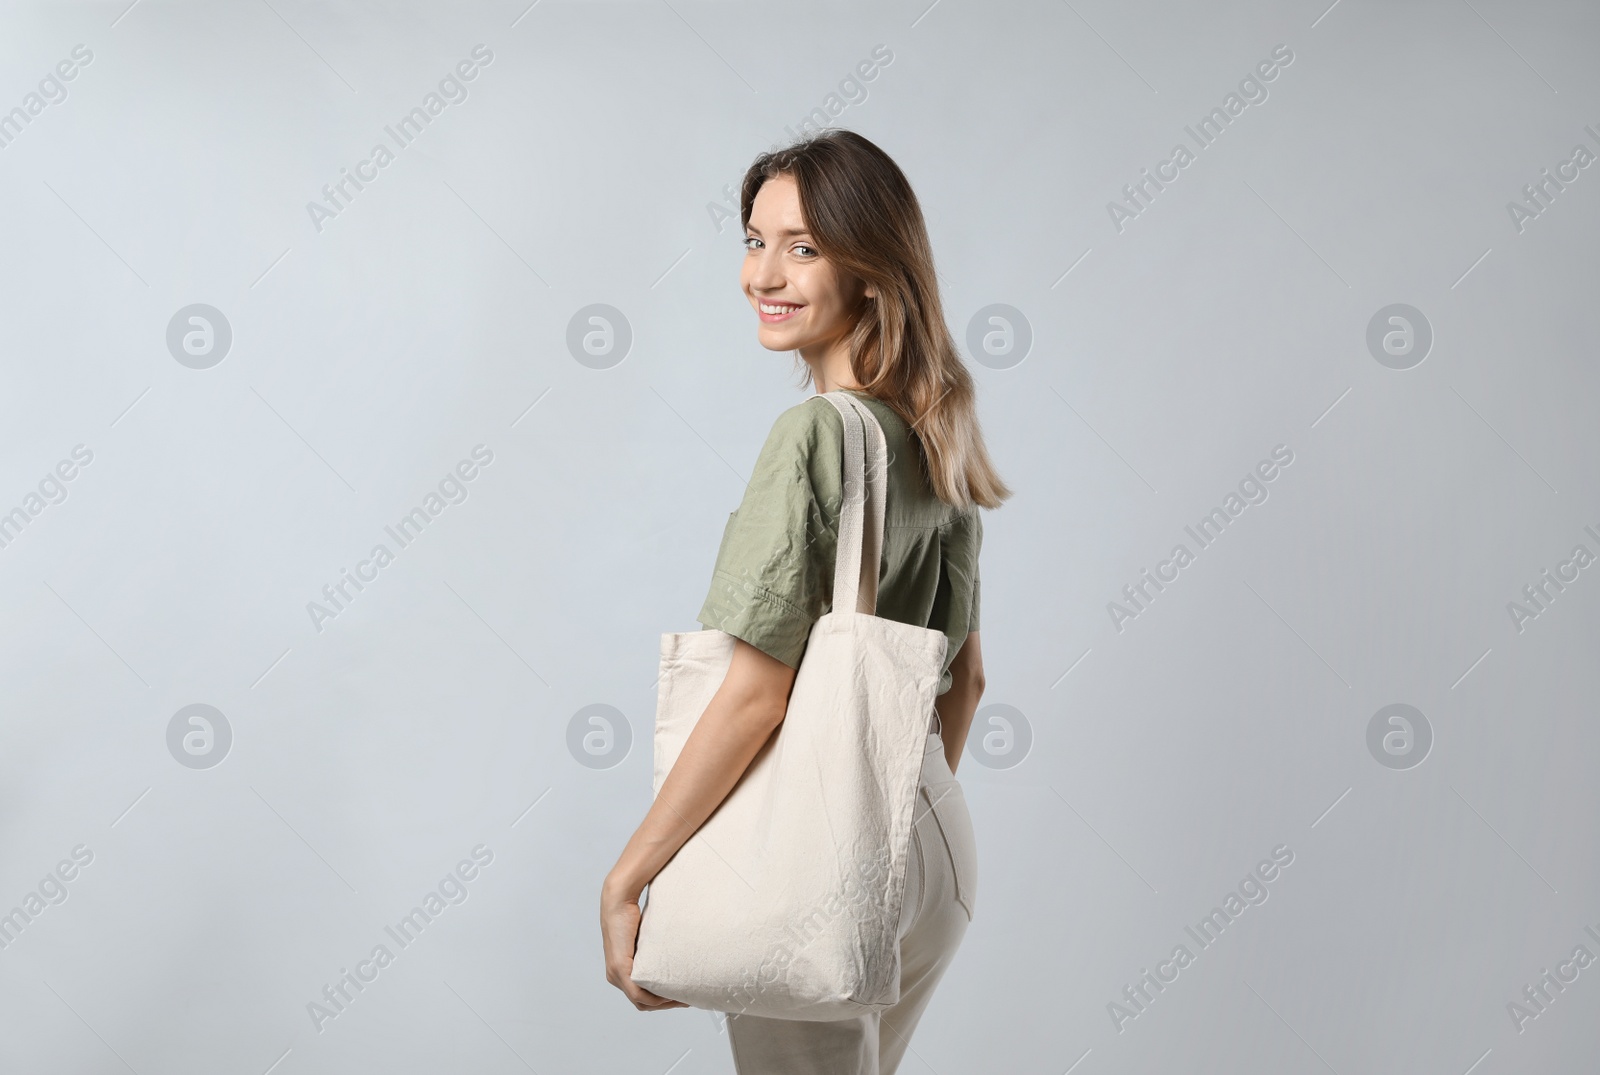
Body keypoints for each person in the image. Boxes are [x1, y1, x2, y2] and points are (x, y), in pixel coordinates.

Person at [600, 128, 1011, 1073]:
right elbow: (966, 682)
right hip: (938, 854)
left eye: (804, 247)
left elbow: (755, 693)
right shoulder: (935, 437)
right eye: (755, 240)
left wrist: (629, 877)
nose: (764, 273)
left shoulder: (810, 437)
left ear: (871, 269)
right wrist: (886, 829)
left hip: (820, 868)